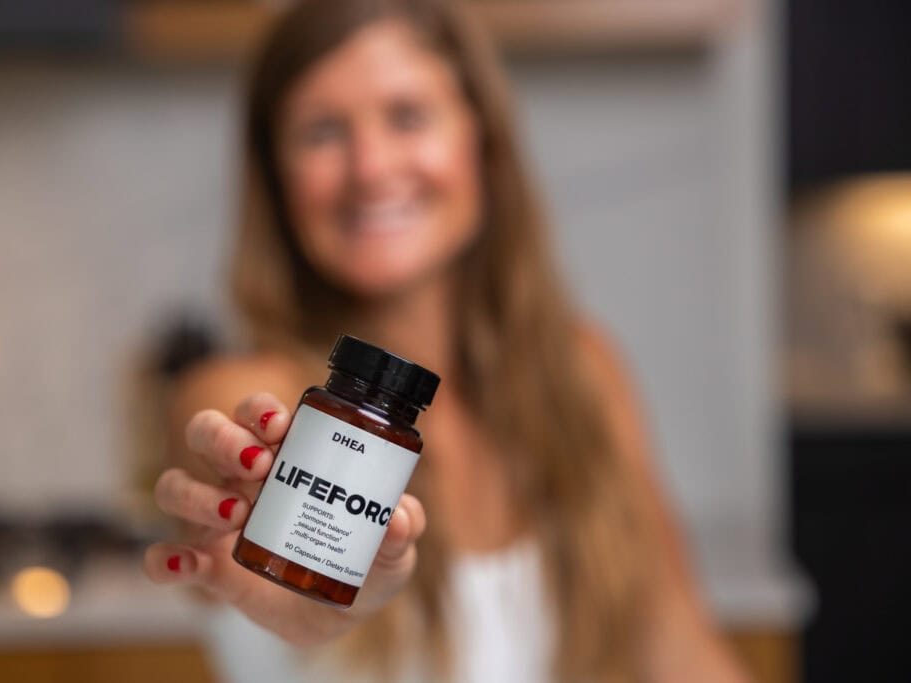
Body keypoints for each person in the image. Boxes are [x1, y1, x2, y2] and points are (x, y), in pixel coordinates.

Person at [143, 1, 750, 681]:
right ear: (277, 177)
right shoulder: (257, 400)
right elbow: (238, 507)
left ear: (482, 140)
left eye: (407, 116)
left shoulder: (583, 371)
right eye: (321, 132)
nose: (370, 167)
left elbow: (682, 653)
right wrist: (317, 597)